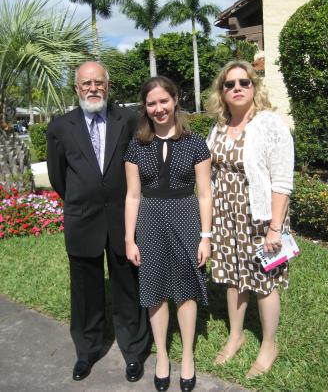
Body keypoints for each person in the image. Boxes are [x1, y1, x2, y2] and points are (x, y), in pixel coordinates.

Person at [47, 61, 149, 382]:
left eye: (99, 82)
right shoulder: (61, 127)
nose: (93, 88)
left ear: (108, 85)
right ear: (77, 88)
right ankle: (87, 350)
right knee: (85, 292)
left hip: (123, 221)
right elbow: (57, 177)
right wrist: (84, 199)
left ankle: (133, 350)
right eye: (86, 83)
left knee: (128, 288)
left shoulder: (128, 120)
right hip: (83, 221)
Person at [206, 60, 294, 379]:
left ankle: (269, 345)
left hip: (261, 219)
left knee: (264, 282)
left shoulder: (270, 124)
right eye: (230, 84)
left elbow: (282, 181)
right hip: (225, 217)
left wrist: (274, 228)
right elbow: (210, 172)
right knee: (232, 278)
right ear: (222, 92)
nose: (237, 88)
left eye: (244, 82)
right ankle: (236, 335)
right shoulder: (219, 126)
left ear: (254, 87)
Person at [124, 76, 212, 392]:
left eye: (164, 101)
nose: (159, 108)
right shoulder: (137, 144)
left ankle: (187, 355)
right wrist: (129, 239)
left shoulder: (195, 142)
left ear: (175, 99)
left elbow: (205, 193)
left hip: (186, 217)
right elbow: (133, 195)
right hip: (149, 220)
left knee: (186, 286)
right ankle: (162, 355)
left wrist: (206, 236)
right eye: (152, 103)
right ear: (144, 108)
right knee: (155, 286)